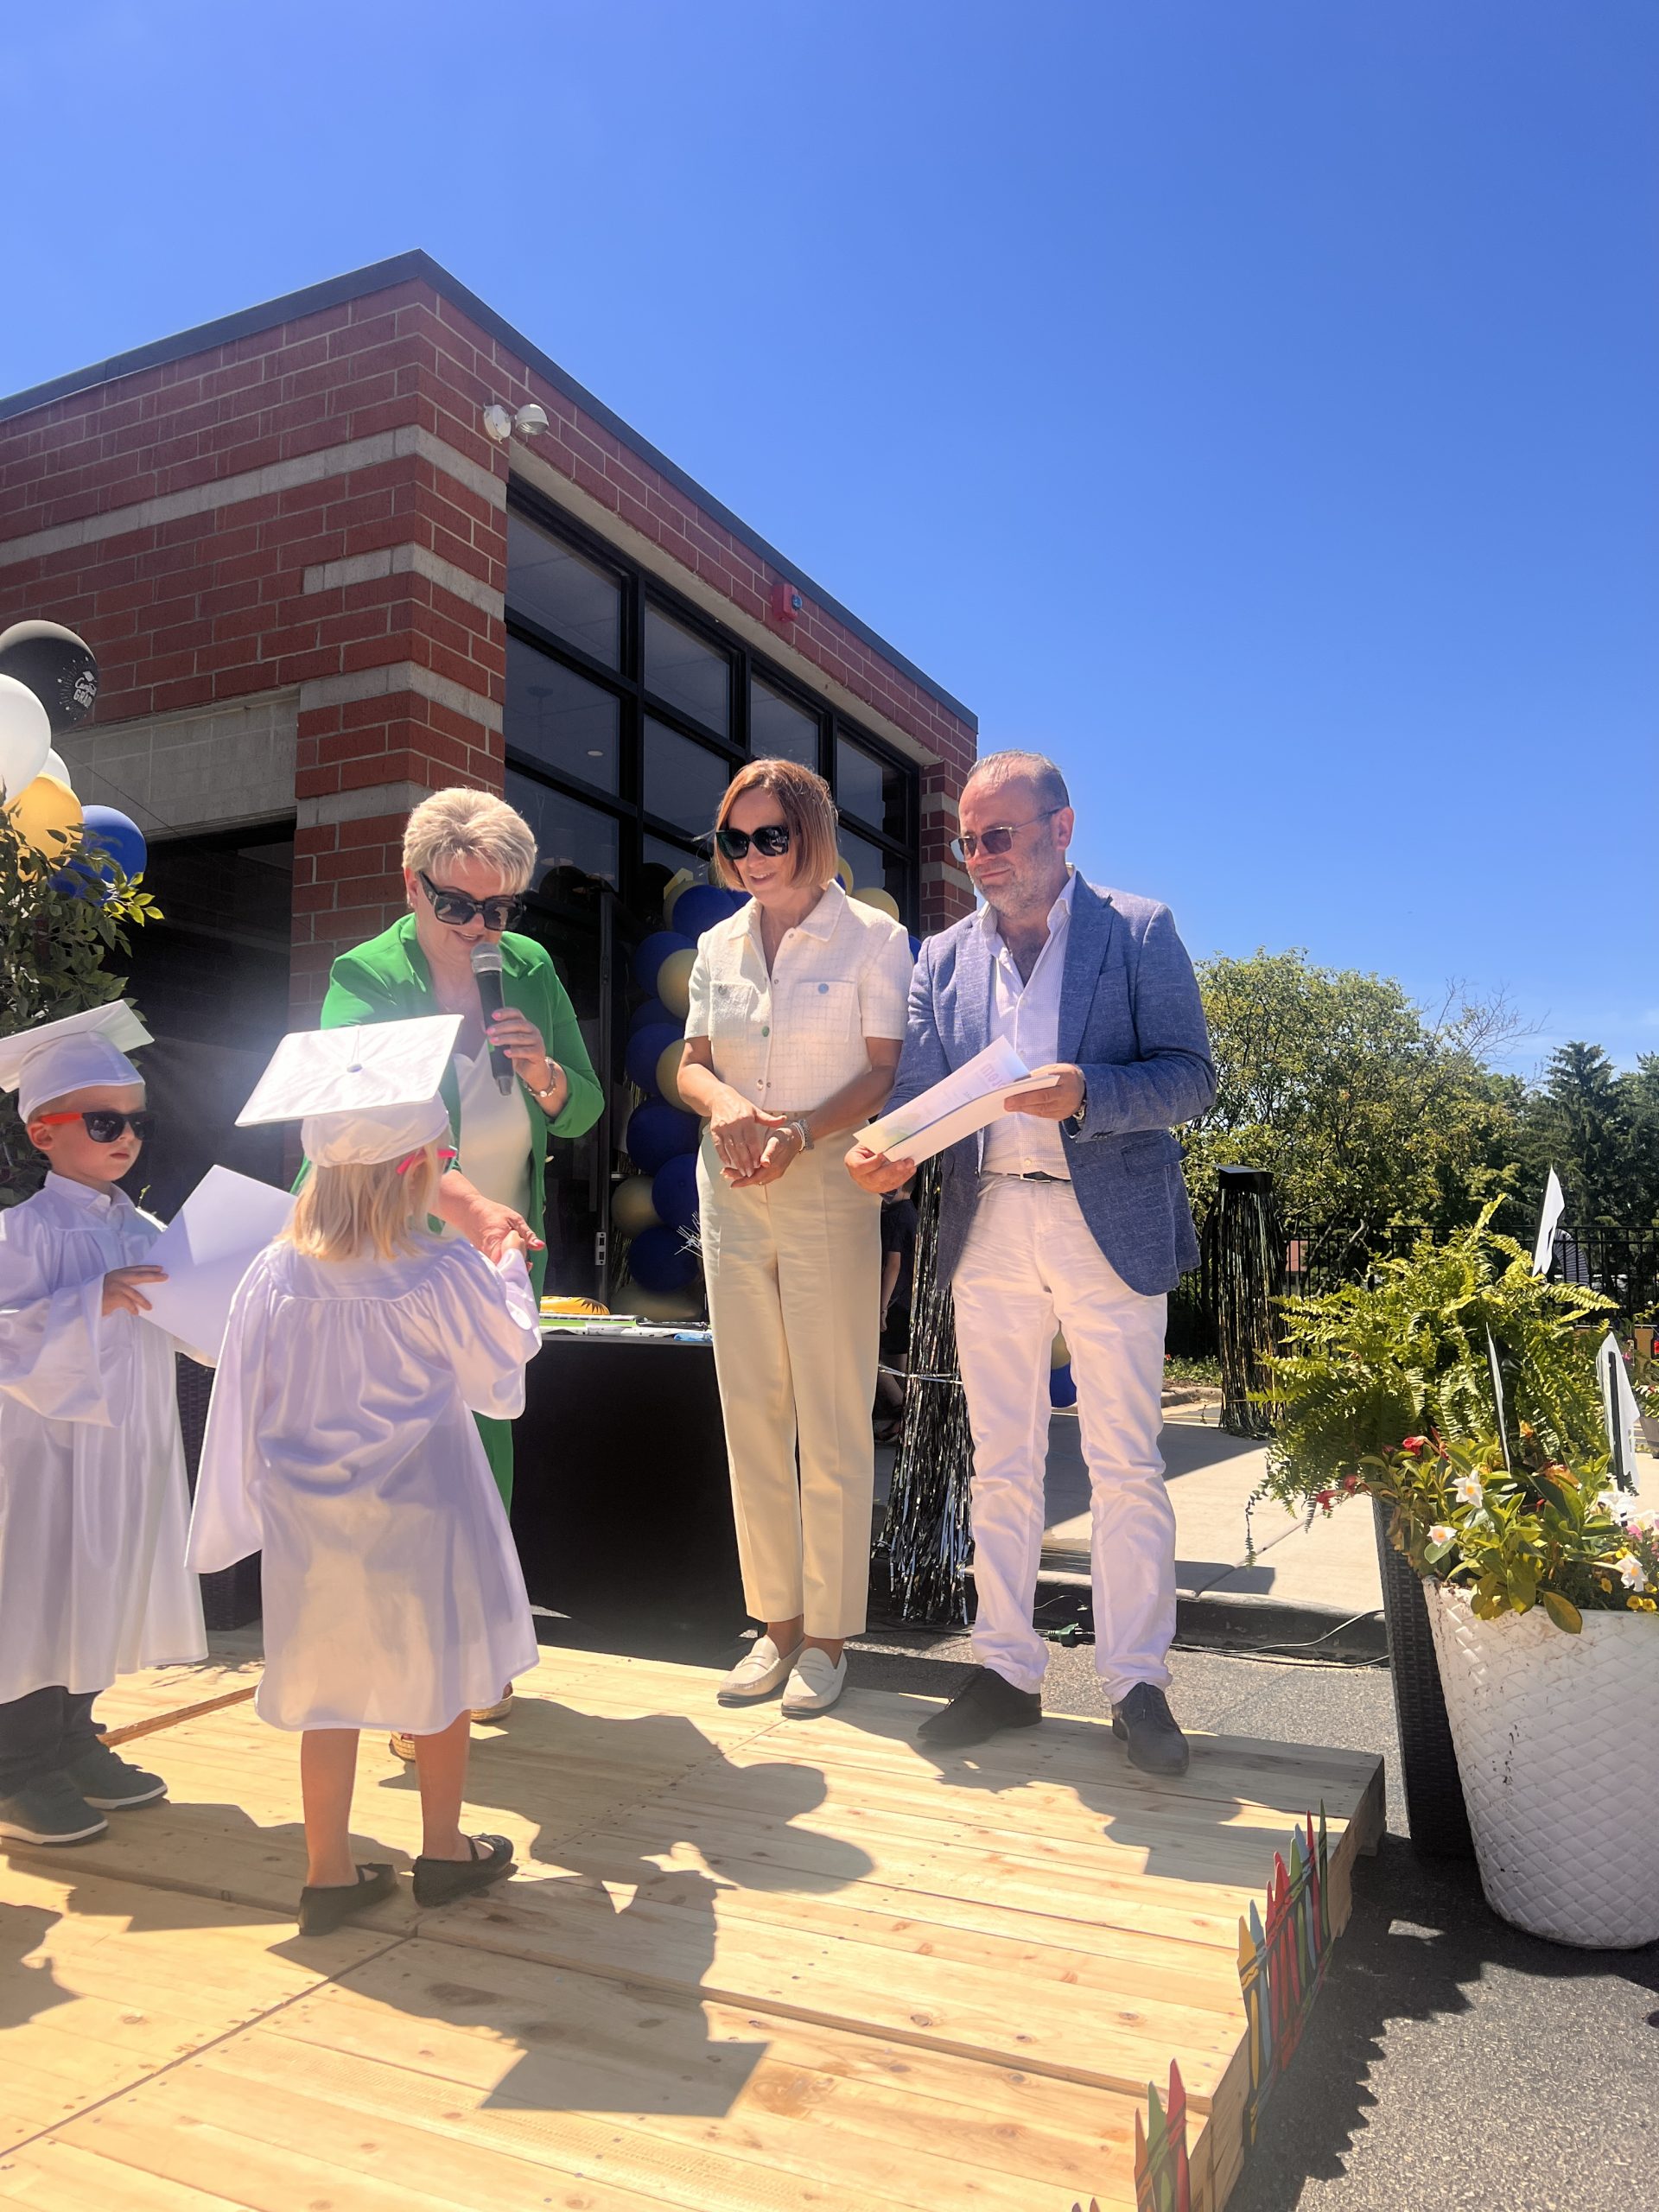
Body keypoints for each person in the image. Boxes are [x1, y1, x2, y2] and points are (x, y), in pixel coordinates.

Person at [848, 751, 1215, 1772]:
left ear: (1062, 827)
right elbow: (919, 1097)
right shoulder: (941, 958)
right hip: (992, 1220)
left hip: (1108, 1221)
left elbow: (1192, 1076)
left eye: (998, 835)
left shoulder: (1137, 929)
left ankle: (1136, 1682)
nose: (980, 857)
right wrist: (891, 1153)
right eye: (968, 840)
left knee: (1125, 1461)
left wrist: (1089, 1089)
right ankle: (1007, 1668)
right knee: (999, 1460)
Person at [186, 1019, 541, 1936]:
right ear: (416, 1169)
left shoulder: (274, 1273)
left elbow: (243, 1390)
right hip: (424, 1513)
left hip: (311, 1520)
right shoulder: (440, 1268)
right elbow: (500, 1371)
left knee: (327, 1689)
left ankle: (328, 1871)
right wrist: (506, 1263)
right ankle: (444, 1850)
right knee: (442, 1680)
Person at [316, 786, 601, 1745]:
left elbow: (586, 1106)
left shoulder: (530, 968)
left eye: (499, 907)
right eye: (456, 905)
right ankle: (412, 1678)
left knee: (486, 1449)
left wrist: (544, 1073)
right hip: (395, 1253)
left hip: (495, 1259)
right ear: (412, 885)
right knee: (407, 1462)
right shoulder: (365, 976)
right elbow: (366, 1128)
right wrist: (466, 1203)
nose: (479, 927)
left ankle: (475, 1650)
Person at [677, 759, 914, 1717]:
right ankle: (774, 1626)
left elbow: (882, 1071)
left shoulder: (875, 938)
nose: (750, 855)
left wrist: (799, 1132)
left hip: (828, 1188)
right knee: (752, 1411)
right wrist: (728, 1105)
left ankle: (829, 1637)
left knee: (831, 1412)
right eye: (733, 839)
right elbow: (691, 1064)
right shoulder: (717, 941)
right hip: (732, 1189)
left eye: (769, 836)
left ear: (811, 833)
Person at [0, 1002, 207, 1847]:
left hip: (126, 1446)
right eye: (102, 1121)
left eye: (136, 1122)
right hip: (45, 1456)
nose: (125, 1137)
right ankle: (17, 1766)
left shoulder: (145, 1229)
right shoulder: (20, 1233)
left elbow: (200, 1326)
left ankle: (74, 1737)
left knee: (104, 1585)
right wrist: (92, 1300)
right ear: (42, 1133)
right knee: (39, 1590)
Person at [874, 1179, 918, 1442]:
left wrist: (881, 1308)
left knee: (873, 1359)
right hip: (907, 1299)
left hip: (893, 1302)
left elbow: (893, 1265)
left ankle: (905, 1414)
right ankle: (906, 1420)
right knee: (899, 1366)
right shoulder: (911, 1212)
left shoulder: (895, 1217)